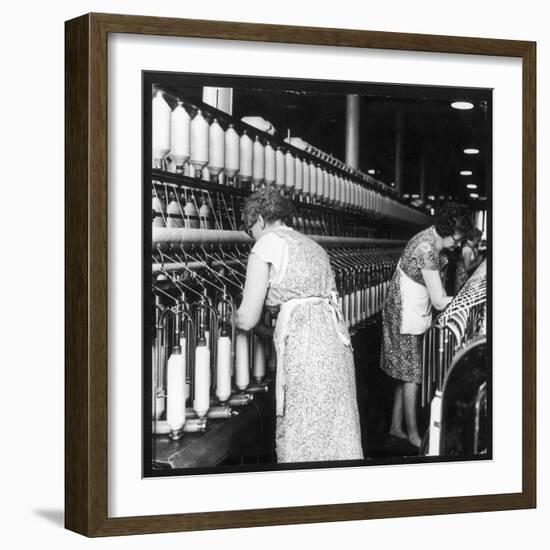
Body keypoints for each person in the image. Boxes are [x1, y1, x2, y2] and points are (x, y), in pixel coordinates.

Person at [235, 188, 363, 463]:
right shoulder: (312, 245)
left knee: (304, 432)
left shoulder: (266, 244)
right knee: (336, 432)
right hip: (336, 347)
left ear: (258, 220)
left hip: (305, 354)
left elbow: (247, 318)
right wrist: (272, 331)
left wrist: (229, 318)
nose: (251, 237)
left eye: (249, 230)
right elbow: (310, 306)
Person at [381, 202, 473, 448]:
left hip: (413, 308)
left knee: (406, 372)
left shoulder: (434, 243)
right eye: (458, 238)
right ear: (446, 229)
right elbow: (440, 300)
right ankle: (412, 434)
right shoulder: (426, 248)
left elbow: (439, 291)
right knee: (412, 375)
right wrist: (467, 299)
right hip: (405, 313)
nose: (459, 243)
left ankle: (396, 427)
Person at [455, 227, 483, 293]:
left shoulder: (472, 247)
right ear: (475, 237)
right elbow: (467, 268)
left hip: (468, 276)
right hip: (463, 278)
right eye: (479, 237)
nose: (480, 239)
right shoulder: (467, 249)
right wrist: (478, 262)